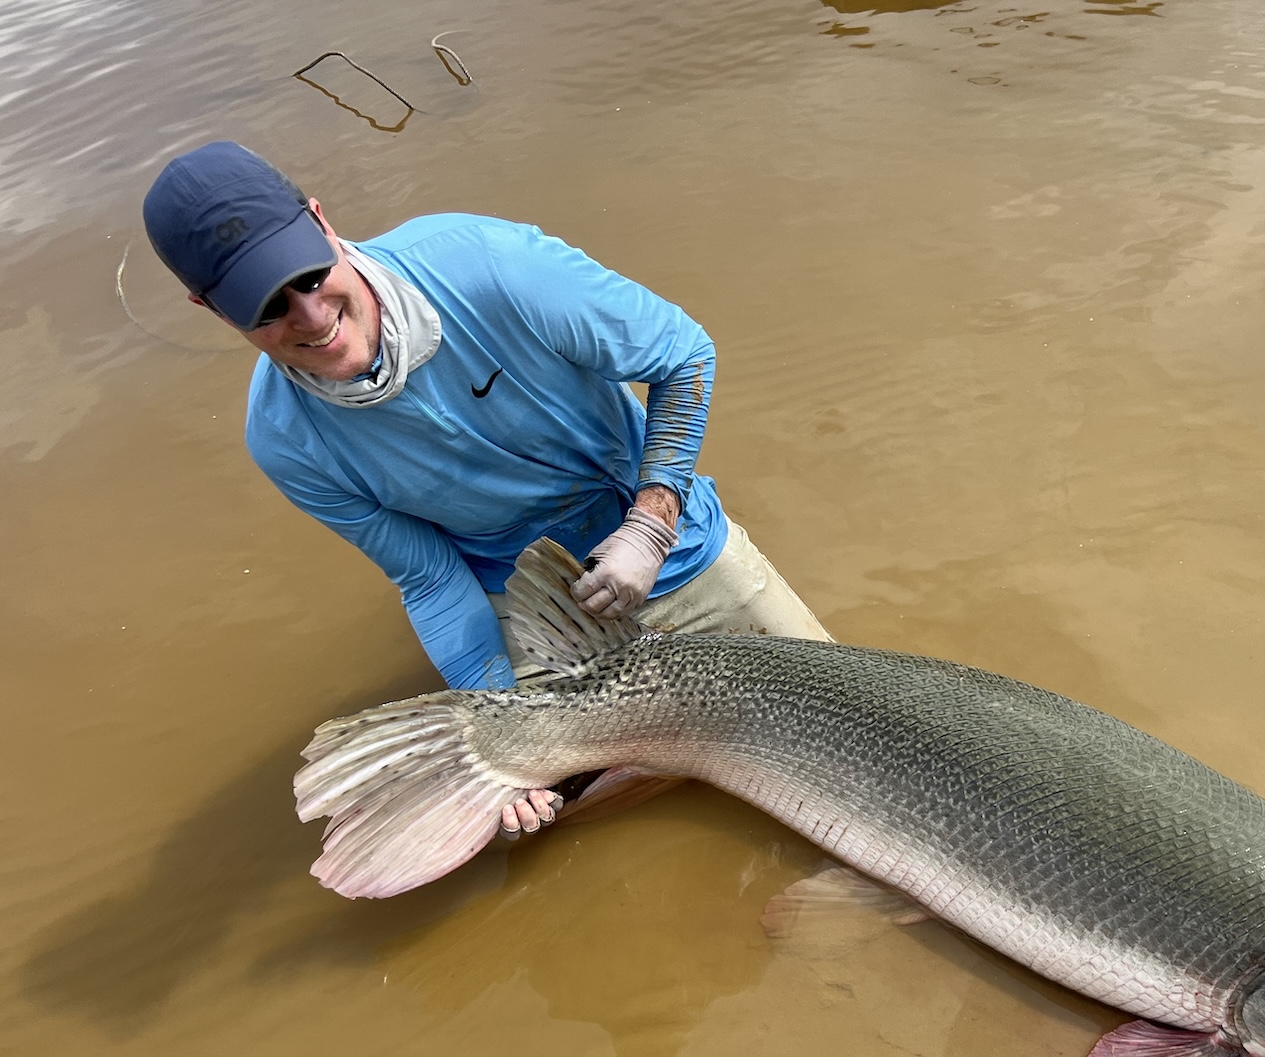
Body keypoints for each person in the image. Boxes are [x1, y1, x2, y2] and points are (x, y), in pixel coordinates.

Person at [143, 140, 830, 838]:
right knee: (526, 830)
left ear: (321, 222)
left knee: (840, 728)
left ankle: (677, 747)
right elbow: (430, 576)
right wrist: (494, 728)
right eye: (267, 306)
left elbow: (683, 355)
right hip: (538, 610)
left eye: (311, 276)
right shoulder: (285, 439)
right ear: (210, 308)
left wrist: (652, 523)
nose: (313, 318)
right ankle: (656, 758)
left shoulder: (491, 264)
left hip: (673, 544)